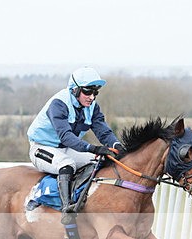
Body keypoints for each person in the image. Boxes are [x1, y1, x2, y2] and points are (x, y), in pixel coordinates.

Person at [27, 66, 123, 224]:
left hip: (65, 148)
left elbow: (103, 132)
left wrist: (117, 146)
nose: (92, 97)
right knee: (67, 164)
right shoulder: (59, 104)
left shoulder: (92, 107)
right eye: (87, 92)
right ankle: (67, 208)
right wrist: (92, 147)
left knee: (98, 159)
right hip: (42, 147)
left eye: (95, 92)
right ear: (74, 90)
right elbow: (66, 136)